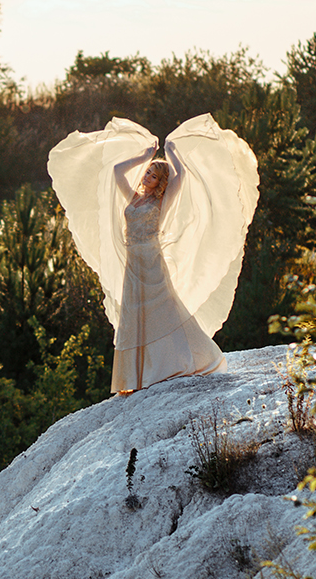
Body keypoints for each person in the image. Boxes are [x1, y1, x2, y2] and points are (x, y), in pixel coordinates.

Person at [47, 114, 259, 394]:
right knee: (134, 314)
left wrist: (171, 151)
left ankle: (196, 357)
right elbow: (117, 172)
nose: (146, 176)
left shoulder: (162, 202)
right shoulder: (135, 199)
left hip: (151, 260)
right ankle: (136, 377)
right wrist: (145, 155)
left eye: (153, 175)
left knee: (165, 309)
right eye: (147, 172)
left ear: (160, 182)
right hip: (133, 262)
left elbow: (181, 176)